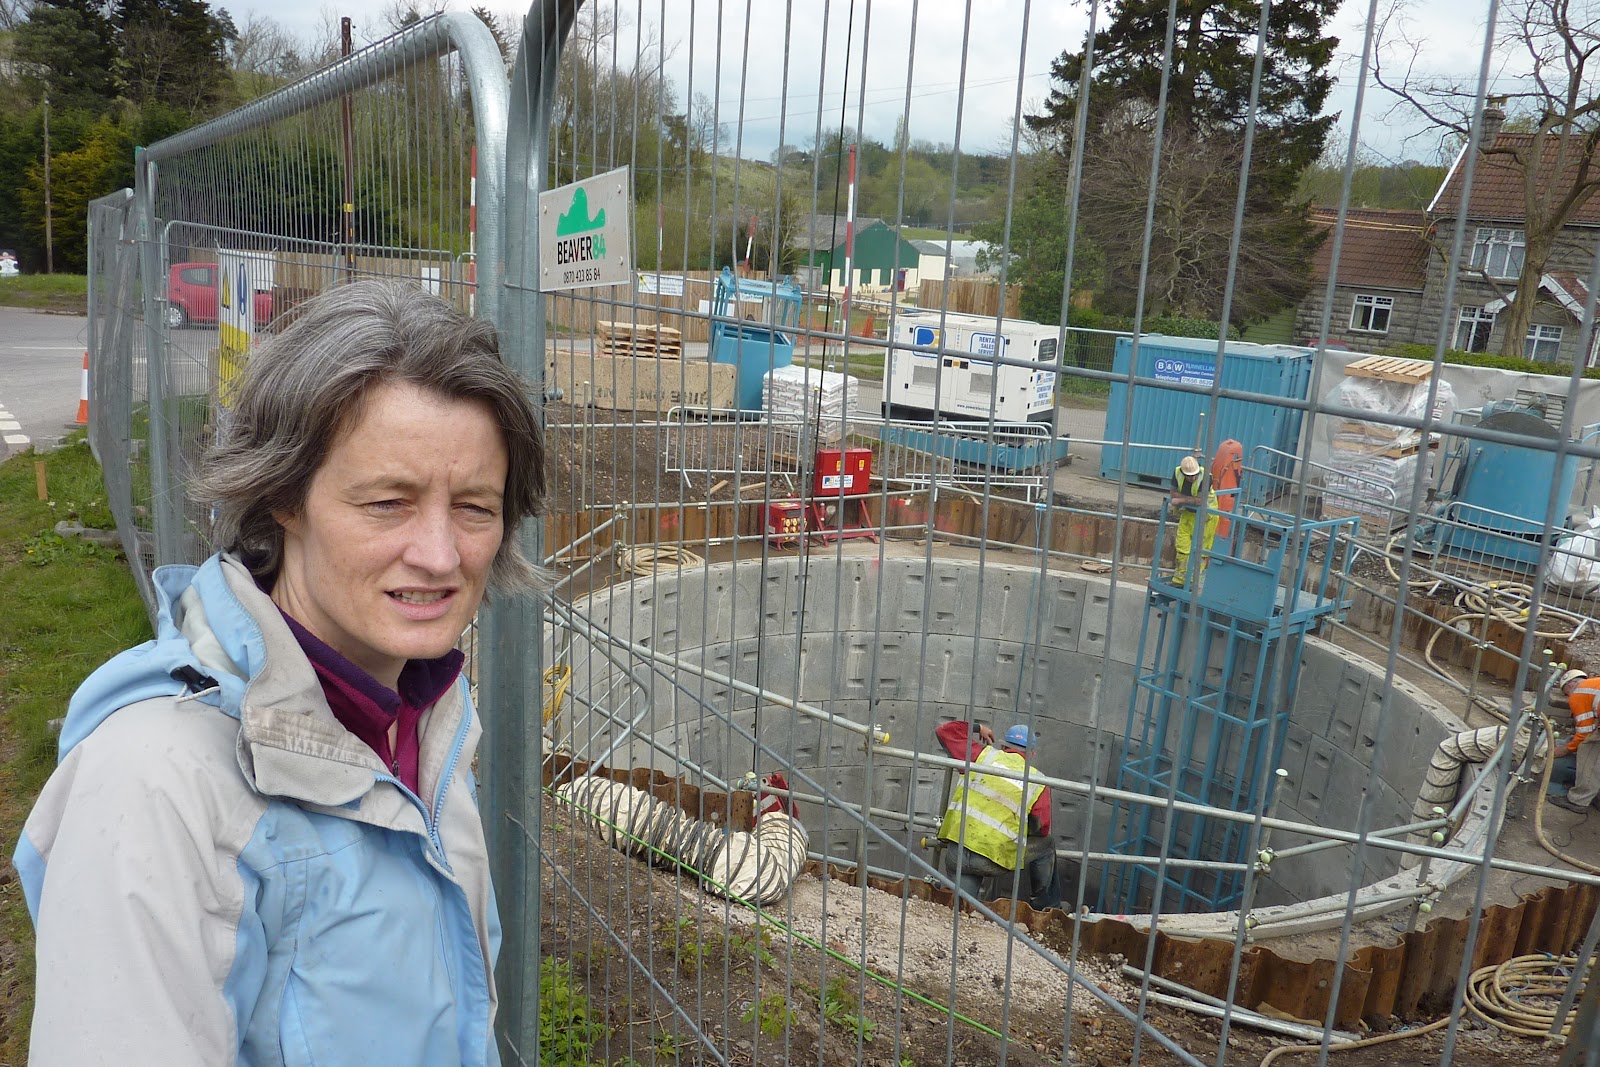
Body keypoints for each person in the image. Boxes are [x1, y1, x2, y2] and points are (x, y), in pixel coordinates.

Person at [13, 280, 546, 1065]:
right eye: (388, 502)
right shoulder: (155, 788)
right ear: (283, 494)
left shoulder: (422, 721)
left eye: (474, 506)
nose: (441, 554)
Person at [934, 719, 1061, 911]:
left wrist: (979, 728)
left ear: (1003, 746)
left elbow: (945, 730)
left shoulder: (981, 756)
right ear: (1032, 754)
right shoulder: (1037, 781)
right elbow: (1041, 828)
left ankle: (960, 912)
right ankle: (1046, 907)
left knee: (962, 907)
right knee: (1047, 844)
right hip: (992, 860)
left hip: (957, 852)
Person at [1551, 668, 1600, 814]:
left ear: (1571, 684)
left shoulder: (1578, 693)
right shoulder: (1594, 684)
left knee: (1589, 752)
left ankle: (1578, 800)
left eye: (1565, 692)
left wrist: (1566, 749)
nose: (1567, 697)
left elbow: (1585, 733)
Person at [1170, 453, 1219, 587]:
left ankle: (1193, 582)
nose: (1193, 477)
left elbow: (1200, 501)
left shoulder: (1205, 477)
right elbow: (1173, 493)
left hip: (1207, 517)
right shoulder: (1177, 473)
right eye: (1190, 475)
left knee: (1200, 551)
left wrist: (1181, 500)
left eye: (1195, 474)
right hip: (1188, 514)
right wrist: (1188, 500)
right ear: (1183, 472)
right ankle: (1180, 581)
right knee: (1182, 547)